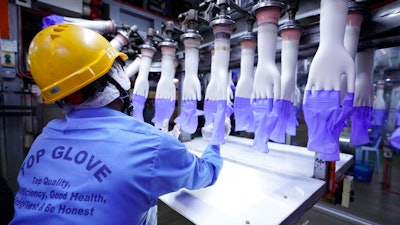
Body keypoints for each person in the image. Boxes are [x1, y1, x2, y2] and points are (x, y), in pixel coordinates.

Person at [9, 24, 223, 225]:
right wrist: (214, 141)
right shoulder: (150, 144)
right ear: (115, 78)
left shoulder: (43, 139)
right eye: (120, 67)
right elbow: (206, 174)